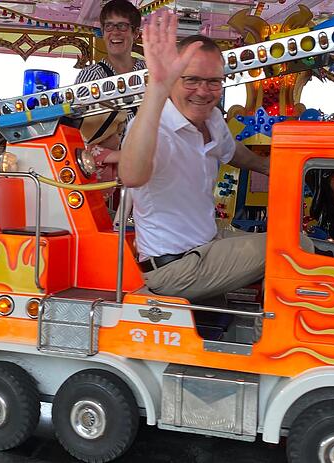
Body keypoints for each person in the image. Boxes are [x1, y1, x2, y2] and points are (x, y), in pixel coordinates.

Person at [118, 12, 270, 302]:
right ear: (174, 79)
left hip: (205, 247)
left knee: (306, 243)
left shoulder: (212, 119)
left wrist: (271, 167)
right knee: (295, 247)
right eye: (191, 80)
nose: (203, 91)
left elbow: (232, 151)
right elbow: (132, 176)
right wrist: (157, 88)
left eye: (213, 82)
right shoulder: (154, 126)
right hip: (175, 268)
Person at [75, 0, 145, 116]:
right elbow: (81, 123)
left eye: (122, 26)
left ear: (136, 33)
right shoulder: (91, 76)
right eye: (109, 26)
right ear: (103, 32)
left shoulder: (149, 71)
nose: (115, 32)